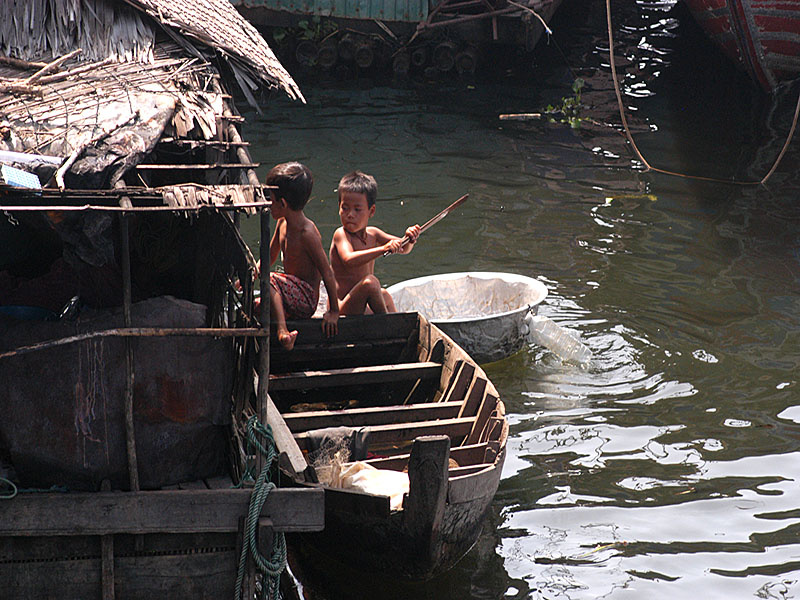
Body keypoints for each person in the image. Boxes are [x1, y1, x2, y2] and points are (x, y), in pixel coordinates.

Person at [262, 162, 339, 350]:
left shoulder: (307, 234)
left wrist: (334, 311)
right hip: (289, 294)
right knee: (257, 306)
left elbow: (327, 273)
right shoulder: (282, 223)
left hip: (306, 298)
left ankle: (283, 332)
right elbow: (269, 257)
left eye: (269, 199)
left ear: (282, 203)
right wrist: (252, 273)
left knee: (270, 278)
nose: (267, 204)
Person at [329, 170, 420, 315]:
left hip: (361, 303)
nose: (350, 214)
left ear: (371, 211)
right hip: (343, 306)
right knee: (371, 283)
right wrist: (383, 249)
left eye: (357, 209)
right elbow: (348, 259)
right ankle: (386, 325)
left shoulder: (373, 233)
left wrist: (410, 238)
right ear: (339, 207)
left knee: (384, 294)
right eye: (345, 208)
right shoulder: (341, 234)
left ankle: (397, 328)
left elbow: (403, 248)